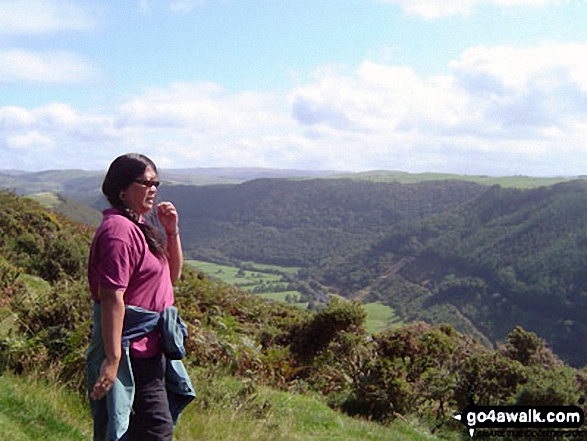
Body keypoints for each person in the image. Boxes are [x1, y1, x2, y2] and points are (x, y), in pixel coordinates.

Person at [86, 153, 195, 441]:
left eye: (156, 183)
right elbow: (111, 296)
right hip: (134, 355)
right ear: (122, 188)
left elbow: (171, 277)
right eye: (145, 182)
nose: (153, 189)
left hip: (152, 348)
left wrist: (172, 233)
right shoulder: (119, 232)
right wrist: (112, 360)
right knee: (157, 431)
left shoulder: (139, 226)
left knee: (138, 431)